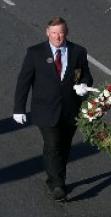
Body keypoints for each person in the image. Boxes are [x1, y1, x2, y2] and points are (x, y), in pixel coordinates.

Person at [13, 17, 93, 202]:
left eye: (61, 32)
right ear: (47, 33)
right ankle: (58, 184)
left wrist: (84, 84)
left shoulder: (78, 51)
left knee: (63, 147)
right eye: (54, 33)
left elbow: (86, 74)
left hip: (70, 109)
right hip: (45, 110)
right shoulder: (35, 53)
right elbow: (24, 81)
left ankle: (54, 178)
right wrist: (19, 109)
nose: (58, 37)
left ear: (67, 32)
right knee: (53, 144)